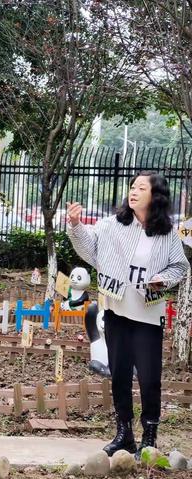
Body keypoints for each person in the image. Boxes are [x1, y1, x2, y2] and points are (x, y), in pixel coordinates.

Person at [67, 171, 189, 459]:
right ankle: (124, 435)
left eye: (141, 188)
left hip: (148, 315)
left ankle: (149, 437)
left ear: (155, 196)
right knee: (119, 375)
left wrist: (161, 280)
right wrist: (75, 225)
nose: (133, 192)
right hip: (117, 311)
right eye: (132, 187)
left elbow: (180, 267)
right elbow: (90, 247)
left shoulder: (168, 233)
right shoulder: (113, 225)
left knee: (149, 378)